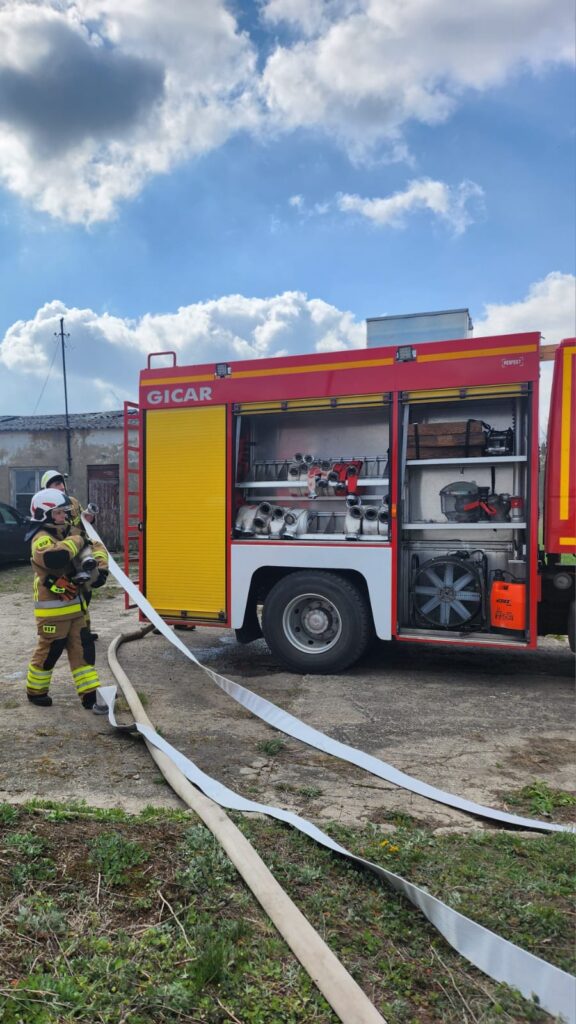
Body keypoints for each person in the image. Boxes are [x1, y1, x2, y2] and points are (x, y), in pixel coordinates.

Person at [25, 487, 109, 713]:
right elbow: (55, 557)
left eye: (64, 512)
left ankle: (90, 694)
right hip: (53, 610)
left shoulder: (69, 530)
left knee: (83, 649)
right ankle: (36, 691)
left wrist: (100, 568)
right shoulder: (41, 538)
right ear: (44, 514)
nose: (64, 516)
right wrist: (77, 540)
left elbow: (96, 545)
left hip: (76, 605)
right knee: (50, 650)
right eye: (59, 513)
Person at [40, 469, 106, 640]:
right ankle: (63, 635)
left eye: (62, 483)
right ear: (46, 488)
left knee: (85, 593)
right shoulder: (43, 506)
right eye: (57, 484)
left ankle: (84, 633)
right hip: (61, 558)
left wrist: (89, 518)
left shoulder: (73, 502)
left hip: (79, 554)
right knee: (65, 596)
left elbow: (82, 520)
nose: (62, 487)